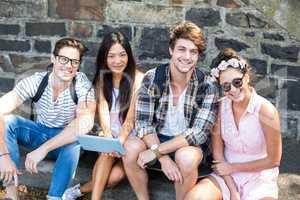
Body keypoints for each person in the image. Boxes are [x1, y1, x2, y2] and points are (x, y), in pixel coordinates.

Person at [122, 21, 219, 200]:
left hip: (188, 144)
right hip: (157, 139)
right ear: (171, 50)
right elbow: (144, 123)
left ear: (198, 56)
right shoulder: (153, 78)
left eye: (193, 52)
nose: (187, 57)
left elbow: (198, 133)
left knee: (186, 158)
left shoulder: (208, 85)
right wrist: (163, 157)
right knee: (129, 148)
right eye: (181, 49)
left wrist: (157, 151)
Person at [0, 38, 96, 200]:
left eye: (74, 61)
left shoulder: (81, 85)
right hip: (40, 133)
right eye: (63, 59)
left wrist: (43, 149)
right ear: (53, 58)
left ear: (78, 65)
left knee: (76, 138)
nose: (68, 65)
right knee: (8, 121)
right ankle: (11, 195)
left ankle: (54, 197)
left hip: (65, 145)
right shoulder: (37, 81)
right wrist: (3, 157)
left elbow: (84, 123)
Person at [185, 48, 282, 200]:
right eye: (226, 86)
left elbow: (273, 160)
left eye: (237, 82)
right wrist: (233, 191)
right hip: (226, 175)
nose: (234, 89)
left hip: (259, 177)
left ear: (247, 77)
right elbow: (218, 154)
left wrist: (234, 167)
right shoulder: (219, 108)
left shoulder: (266, 110)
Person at [62, 31, 144, 200]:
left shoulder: (139, 80)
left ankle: (79, 191)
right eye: (111, 56)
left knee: (115, 177)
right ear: (104, 58)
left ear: (129, 55)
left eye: (122, 55)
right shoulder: (103, 79)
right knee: (108, 159)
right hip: (112, 137)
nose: (117, 61)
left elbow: (131, 119)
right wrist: (108, 138)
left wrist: (118, 142)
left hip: (132, 140)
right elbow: (104, 110)